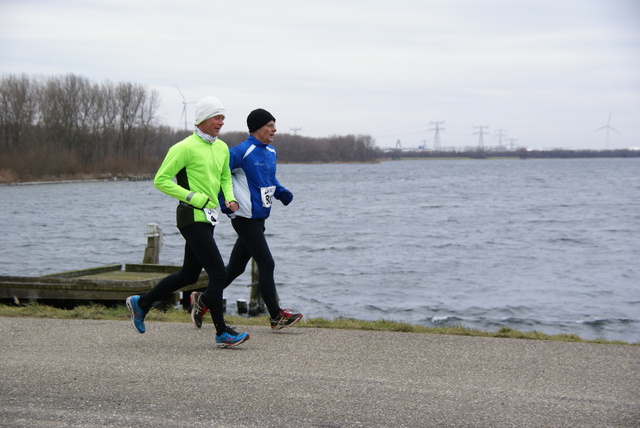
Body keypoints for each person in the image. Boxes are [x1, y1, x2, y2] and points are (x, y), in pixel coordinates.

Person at [126, 96, 249, 347]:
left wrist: (230, 198)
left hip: (209, 217)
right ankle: (222, 331)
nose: (221, 122)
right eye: (217, 117)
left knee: (188, 273)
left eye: (223, 117)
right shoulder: (183, 147)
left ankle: (142, 303)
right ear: (202, 119)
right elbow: (161, 179)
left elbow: (225, 176)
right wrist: (194, 198)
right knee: (218, 273)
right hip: (190, 216)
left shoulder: (221, 148)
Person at [190, 108, 303, 330]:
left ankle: (202, 301)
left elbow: (267, 180)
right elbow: (219, 177)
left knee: (235, 269)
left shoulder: (270, 152)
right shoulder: (240, 151)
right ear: (257, 128)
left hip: (260, 218)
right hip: (244, 217)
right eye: (270, 125)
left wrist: (280, 192)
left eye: (274, 125)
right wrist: (224, 202)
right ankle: (275, 316)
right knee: (267, 263)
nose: (274, 129)